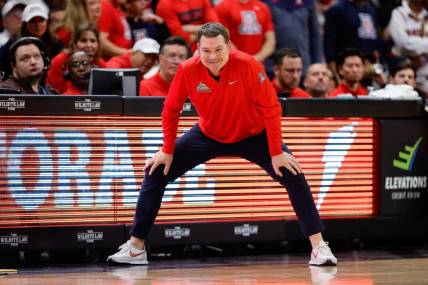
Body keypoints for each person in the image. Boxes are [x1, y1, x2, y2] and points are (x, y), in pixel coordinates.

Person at [107, 22, 337, 266]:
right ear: (198, 48)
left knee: (293, 174)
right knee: (155, 170)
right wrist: (167, 150)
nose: (212, 56)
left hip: (253, 133)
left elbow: (271, 108)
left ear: (228, 46)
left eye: (218, 50)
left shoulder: (248, 64)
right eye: (206, 51)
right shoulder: (187, 70)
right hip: (208, 134)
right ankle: (135, 248)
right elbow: (171, 110)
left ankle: (318, 247)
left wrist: (276, 152)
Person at [263, 0, 323, 73]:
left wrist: (317, 63)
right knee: (263, 81)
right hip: (273, 66)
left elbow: (315, 36)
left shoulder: (308, 2)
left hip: (303, 65)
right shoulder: (265, 3)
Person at [47, 23, 106, 93]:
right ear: (74, 44)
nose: (89, 45)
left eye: (93, 41)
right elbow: (52, 94)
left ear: (98, 44)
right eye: (83, 40)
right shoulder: (59, 61)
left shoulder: (100, 63)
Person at [388, 0, 428, 97]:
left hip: (425, 77)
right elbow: (404, 45)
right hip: (403, 73)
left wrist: (413, 42)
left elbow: (408, 44)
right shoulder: (398, 13)